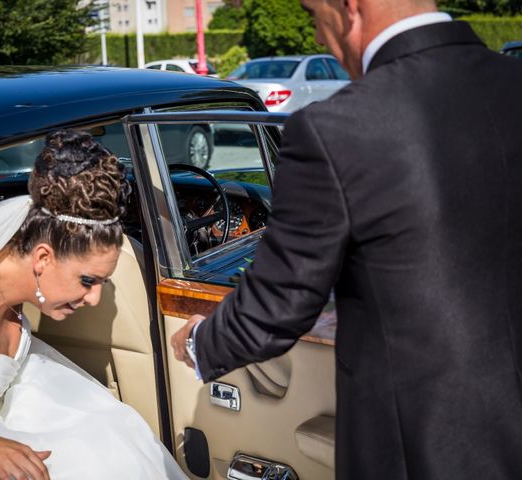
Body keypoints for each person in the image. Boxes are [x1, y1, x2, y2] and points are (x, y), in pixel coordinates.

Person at [172, 0, 522, 478]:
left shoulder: (335, 130)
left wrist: (197, 341)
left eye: (315, 15)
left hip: (424, 445)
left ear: (348, 8)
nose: (319, 37)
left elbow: (280, 304)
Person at [0, 129, 187, 480]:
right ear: (42, 257)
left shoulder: (9, 275)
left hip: (2, 414)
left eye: (102, 282)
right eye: (87, 281)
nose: (95, 298)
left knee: (114, 439)